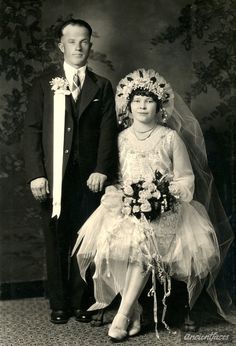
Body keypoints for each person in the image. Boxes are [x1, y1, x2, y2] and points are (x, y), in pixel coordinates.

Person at [72, 68, 235, 341]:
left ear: (159, 106)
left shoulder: (170, 137)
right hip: (127, 205)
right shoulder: (120, 139)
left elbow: (185, 178)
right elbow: (115, 176)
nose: (142, 106)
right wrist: (124, 195)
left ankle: (123, 314)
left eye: (148, 101)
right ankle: (133, 310)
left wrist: (163, 197)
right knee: (120, 238)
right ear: (128, 106)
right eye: (137, 101)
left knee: (144, 242)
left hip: (166, 208)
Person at [24, 18, 118, 324]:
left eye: (84, 41)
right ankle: (59, 303)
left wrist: (102, 169)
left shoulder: (101, 86)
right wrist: (37, 173)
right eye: (72, 41)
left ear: (91, 45)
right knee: (56, 241)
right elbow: (32, 131)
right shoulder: (43, 83)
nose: (78, 47)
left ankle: (82, 301)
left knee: (86, 239)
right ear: (61, 45)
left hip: (88, 179)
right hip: (52, 179)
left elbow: (107, 132)